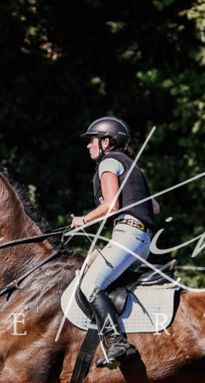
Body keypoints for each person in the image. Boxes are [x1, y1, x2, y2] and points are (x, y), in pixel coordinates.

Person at [72, 116, 159, 367]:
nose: (89, 145)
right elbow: (154, 205)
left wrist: (83, 220)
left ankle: (117, 342)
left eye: (92, 140)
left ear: (106, 142)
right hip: (142, 239)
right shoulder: (132, 166)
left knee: (90, 284)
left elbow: (111, 206)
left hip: (127, 235)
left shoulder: (108, 162)